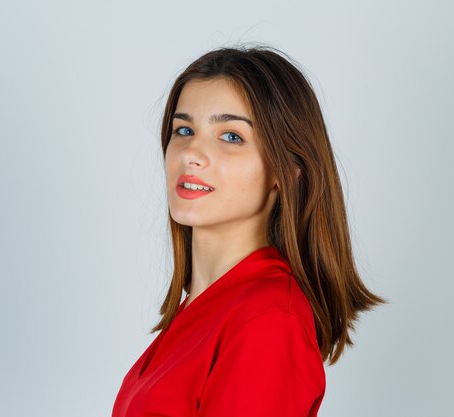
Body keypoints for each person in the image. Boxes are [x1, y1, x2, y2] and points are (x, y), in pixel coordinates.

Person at [111, 44, 387, 417]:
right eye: (184, 129)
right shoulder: (203, 309)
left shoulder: (268, 319)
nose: (192, 151)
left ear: (284, 172)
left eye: (231, 137)